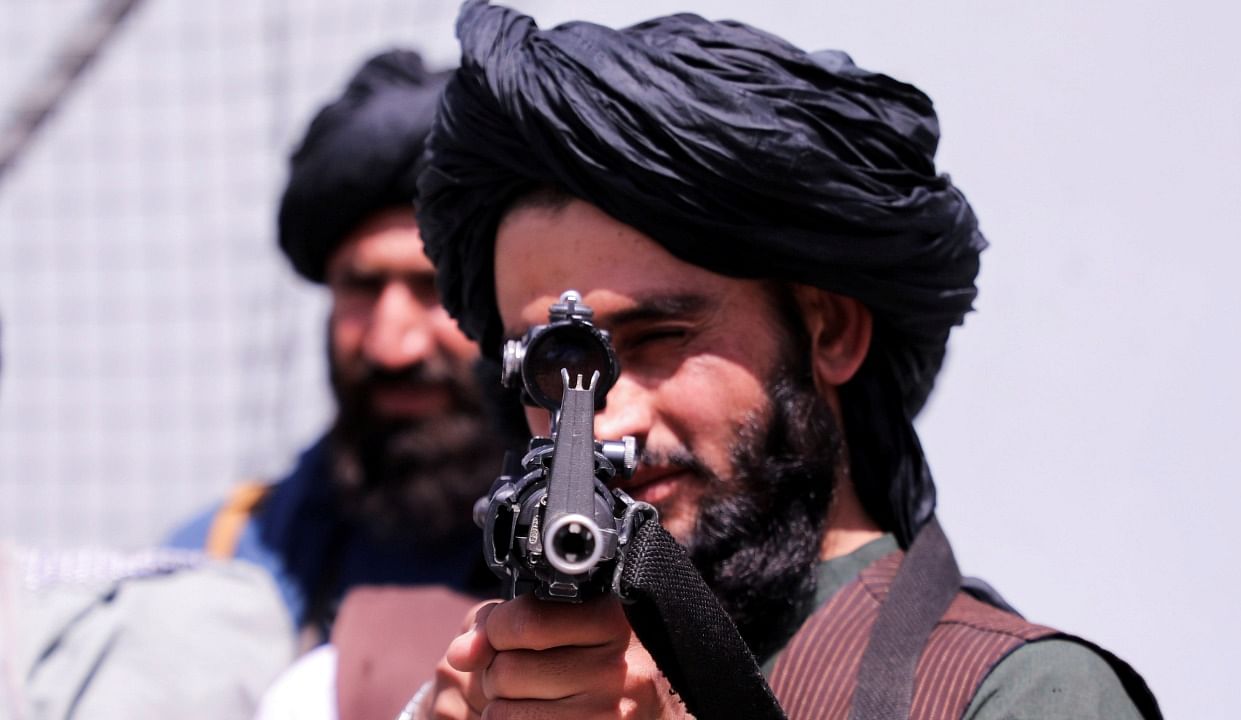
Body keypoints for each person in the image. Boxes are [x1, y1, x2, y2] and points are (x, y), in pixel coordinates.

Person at [408, 2, 1163, 719]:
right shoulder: (492, 686)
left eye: (662, 340)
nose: (612, 418)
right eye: (553, 370)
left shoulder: (1023, 695)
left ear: (829, 330)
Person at [169, 49, 507, 643]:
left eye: (435, 288)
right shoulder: (221, 563)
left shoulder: (626, 566)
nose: (390, 346)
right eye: (361, 287)